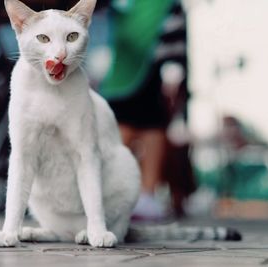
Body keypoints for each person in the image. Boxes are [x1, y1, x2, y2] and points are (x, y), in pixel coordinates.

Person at [99, 0, 196, 219]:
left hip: (155, 68)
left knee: (153, 124)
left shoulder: (167, 5)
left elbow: (175, 27)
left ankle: (147, 194)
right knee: (119, 128)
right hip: (120, 69)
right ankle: (113, 193)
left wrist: (173, 69)